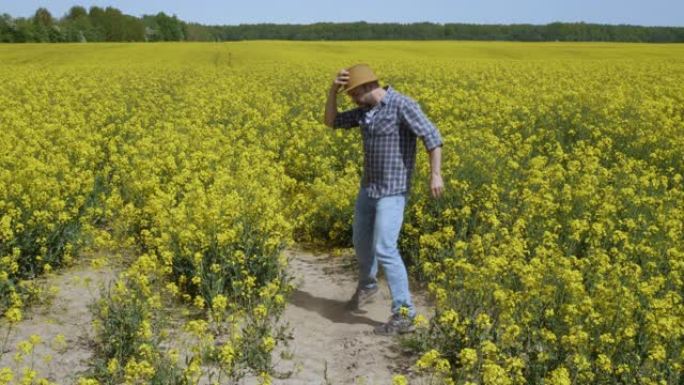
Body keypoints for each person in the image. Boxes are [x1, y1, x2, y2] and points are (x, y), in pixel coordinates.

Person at [323, 63, 444, 336]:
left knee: (385, 249)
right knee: (361, 243)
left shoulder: (402, 105)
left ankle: (404, 314)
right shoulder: (366, 110)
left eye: (353, 94)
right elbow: (332, 121)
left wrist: (436, 175)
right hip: (369, 189)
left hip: (393, 192)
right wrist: (332, 90)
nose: (352, 100)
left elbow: (432, 137)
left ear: (366, 87)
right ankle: (367, 287)